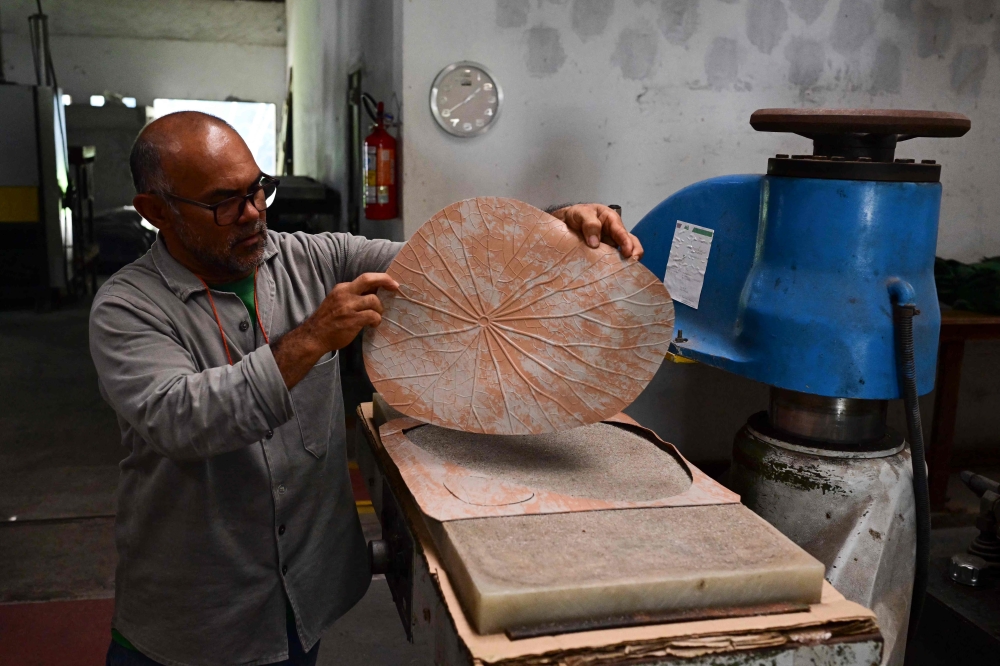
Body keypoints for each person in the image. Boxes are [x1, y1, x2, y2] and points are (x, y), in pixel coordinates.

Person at [90, 111, 643, 666]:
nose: (253, 213)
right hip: (197, 613)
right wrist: (311, 338)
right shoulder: (128, 307)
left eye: (259, 188)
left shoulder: (311, 258)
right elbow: (183, 419)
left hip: (302, 596)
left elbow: (452, 268)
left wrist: (555, 228)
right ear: (156, 212)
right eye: (223, 202)